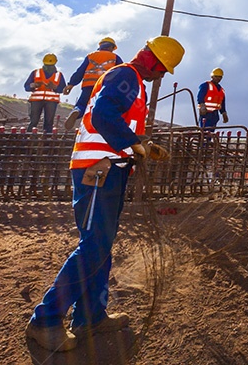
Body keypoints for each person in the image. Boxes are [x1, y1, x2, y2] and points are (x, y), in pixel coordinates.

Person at [25, 35, 183, 352]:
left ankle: (90, 317)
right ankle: (45, 321)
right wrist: (133, 143)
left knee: (101, 245)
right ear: (152, 60)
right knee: (93, 245)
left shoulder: (133, 82)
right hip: (98, 170)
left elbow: (115, 123)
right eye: (163, 69)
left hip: (110, 169)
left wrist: (143, 146)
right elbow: (102, 116)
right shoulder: (126, 75)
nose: (161, 76)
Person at [63, 37, 123, 132]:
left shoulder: (90, 56)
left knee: (82, 104)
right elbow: (122, 73)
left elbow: (80, 71)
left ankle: (77, 111)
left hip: (88, 85)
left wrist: (71, 84)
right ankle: (100, 128)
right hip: (105, 86)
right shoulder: (115, 58)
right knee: (102, 106)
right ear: (111, 47)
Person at [24, 54, 66, 134]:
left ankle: (47, 140)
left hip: (51, 101)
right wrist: (33, 85)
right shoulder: (36, 72)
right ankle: (29, 138)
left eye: (50, 65)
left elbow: (62, 89)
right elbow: (26, 87)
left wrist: (55, 87)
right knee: (34, 121)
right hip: (36, 100)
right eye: (47, 65)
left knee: (49, 122)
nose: (48, 67)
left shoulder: (59, 75)